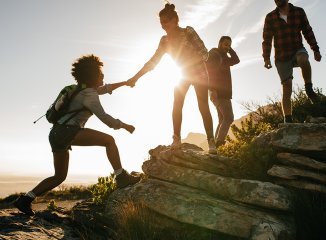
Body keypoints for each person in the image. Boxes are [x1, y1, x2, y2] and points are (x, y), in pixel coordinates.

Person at [14, 54, 140, 216]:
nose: (103, 76)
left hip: (56, 133)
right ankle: (121, 176)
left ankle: (25, 199)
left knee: (59, 176)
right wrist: (124, 125)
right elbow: (105, 118)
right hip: (68, 132)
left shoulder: (78, 89)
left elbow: (104, 89)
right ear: (93, 76)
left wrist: (124, 83)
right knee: (109, 140)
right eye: (101, 74)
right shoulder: (89, 95)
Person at [127, 3, 217, 154]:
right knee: (177, 104)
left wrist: (193, 60)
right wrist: (136, 77)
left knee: (203, 106)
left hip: (199, 74)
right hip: (182, 75)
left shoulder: (188, 31)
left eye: (166, 21)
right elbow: (153, 61)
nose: (164, 25)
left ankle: (211, 141)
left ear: (175, 19)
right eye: (161, 23)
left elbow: (204, 52)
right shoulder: (164, 41)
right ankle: (176, 139)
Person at [262, 0, 322, 123]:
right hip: (281, 56)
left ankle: (309, 88)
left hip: (297, 49)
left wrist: (315, 49)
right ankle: (288, 119)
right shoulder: (270, 17)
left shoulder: (299, 12)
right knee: (287, 86)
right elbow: (267, 39)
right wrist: (266, 58)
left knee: (303, 58)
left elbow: (307, 31)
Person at [208, 36, 240, 148]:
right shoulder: (215, 54)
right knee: (229, 117)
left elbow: (236, 60)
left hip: (224, 92)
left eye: (229, 45)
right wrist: (212, 90)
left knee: (222, 119)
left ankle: (214, 146)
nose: (227, 47)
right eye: (225, 44)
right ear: (220, 43)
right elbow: (210, 73)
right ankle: (219, 143)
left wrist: (229, 49)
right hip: (218, 91)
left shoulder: (225, 58)